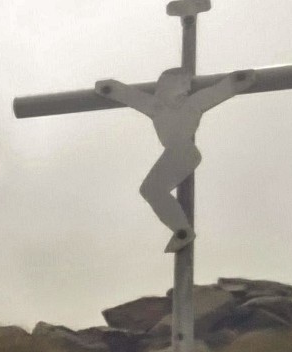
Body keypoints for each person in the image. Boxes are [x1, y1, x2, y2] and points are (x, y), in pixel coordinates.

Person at [95, 67, 253, 252]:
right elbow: (131, 96)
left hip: (183, 152)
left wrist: (239, 80)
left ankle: (182, 230)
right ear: (167, 86)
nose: (186, 89)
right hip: (176, 152)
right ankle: (182, 231)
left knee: (151, 189)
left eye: (187, 85)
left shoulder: (192, 103)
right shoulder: (156, 106)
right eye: (183, 84)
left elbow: (217, 92)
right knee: (150, 189)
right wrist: (109, 88)